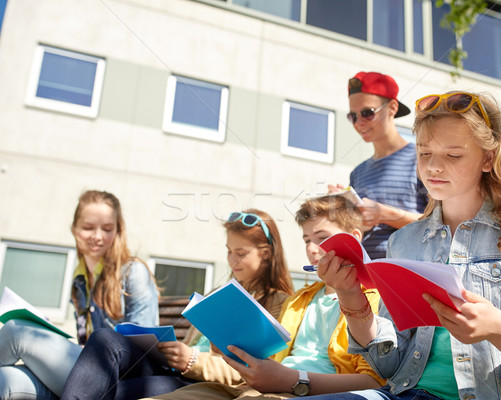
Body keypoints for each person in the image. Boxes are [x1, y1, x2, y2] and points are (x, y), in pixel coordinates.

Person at [309, 91, 501, 400]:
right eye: (424, 153)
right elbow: (388, 365)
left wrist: (499, 329)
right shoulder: (403, 241)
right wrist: (351, 297)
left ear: (488, 158)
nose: (433, 168)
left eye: (453, 155)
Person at [141, 195, 385, 400]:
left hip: (300, 391)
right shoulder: (299, 301)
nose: (312, 248)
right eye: (307, 240)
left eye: (322, 238)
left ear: (354, 237)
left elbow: (374, 382)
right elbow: (268, 362)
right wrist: (230, 347)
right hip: (259, 387)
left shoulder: (376, 299)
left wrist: (293, 380)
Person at [60, 209, 295, 400]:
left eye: (241, 253)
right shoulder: (219, 293)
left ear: (266, 253)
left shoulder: (280, 303)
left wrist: (192, 360)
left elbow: (260, 372)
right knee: (103, 338)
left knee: (112, 390)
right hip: (174, 366)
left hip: (197, 380)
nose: (232, 260)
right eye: (229, 251)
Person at [0, 190, 159, 400]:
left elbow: (144, 350)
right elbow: (83, 338)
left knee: (16, 331)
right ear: (74, 229)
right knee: (5, 379)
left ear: (118, 230)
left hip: (117, 375)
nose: (97, 237)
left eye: (108, 229)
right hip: (84, 367)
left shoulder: (133, 272)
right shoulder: (80, 280)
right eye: (88, 228)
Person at [329, 71, 428, 259]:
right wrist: (342, 208)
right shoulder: (358, 173)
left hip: (410, 275)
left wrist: (383, 213)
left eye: (367, 113)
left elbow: (443, 224)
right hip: (367, 278)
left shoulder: (422, 158)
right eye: (353, 116)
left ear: (392, 108)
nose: (359, 123)